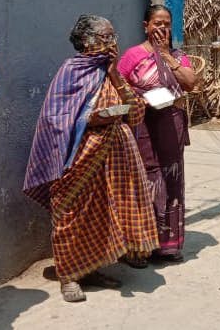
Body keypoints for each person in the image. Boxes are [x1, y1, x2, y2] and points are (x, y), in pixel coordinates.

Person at [24, 15, 160, 303]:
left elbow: (135, 114)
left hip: (117, 160)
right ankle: (69, 275)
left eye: (113, 36)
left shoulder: (113, 72)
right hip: (80, 156)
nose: (113, 43)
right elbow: (56, 118)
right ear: (87, 42)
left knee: (106, 216)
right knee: (70, 213)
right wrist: (90, 119)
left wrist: (113, 74)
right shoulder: (72, 71)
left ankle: (93, 268)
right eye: (105, 37)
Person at [118, 5, 196, 263]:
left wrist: (166, 56)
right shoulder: (133, 55)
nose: (162, 28)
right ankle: (140, 246)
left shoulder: (178, 55)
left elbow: (190, 82)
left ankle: (168, 245)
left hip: (170, 125)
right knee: (145, 181)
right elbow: (117, 85)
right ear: (146, 26)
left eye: (166, 24)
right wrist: (138, 99)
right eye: (157, 23)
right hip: (142, 124)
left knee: (171, 180)